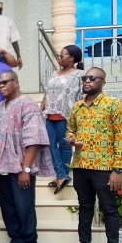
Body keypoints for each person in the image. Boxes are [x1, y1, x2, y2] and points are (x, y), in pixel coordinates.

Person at [66, 67, 122, 243]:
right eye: (85, 78)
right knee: (84, 207)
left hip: (104, 168)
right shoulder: (77, 107)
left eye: (92, 78)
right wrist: (72, 140)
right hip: (81, 166)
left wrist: (117, 169)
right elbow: (70, 130)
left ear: (103, 82)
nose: (87, 81)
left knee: (109, 210)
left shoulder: (114, 105)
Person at [0, 71, 54, 243]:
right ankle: (16, 240)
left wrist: (26, 169)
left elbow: (34, 138)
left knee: (24, 207)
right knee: (8, 207)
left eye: (5, 82)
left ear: (16, 83)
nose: (2, 86)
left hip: (20, 168)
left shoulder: (27, 105)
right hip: (2, 166)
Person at [40, 45, 85, 194]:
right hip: (50, 114)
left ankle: (61, 176)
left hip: (66, 115)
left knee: (64, 146)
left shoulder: (80, 74)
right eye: (59, 56)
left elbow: (84, 96)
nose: (59, 58)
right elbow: (47, 94)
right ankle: (62, 175)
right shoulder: (54, 74)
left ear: (72, 58)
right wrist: (41, 108)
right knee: (49, 145)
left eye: (62, 56)